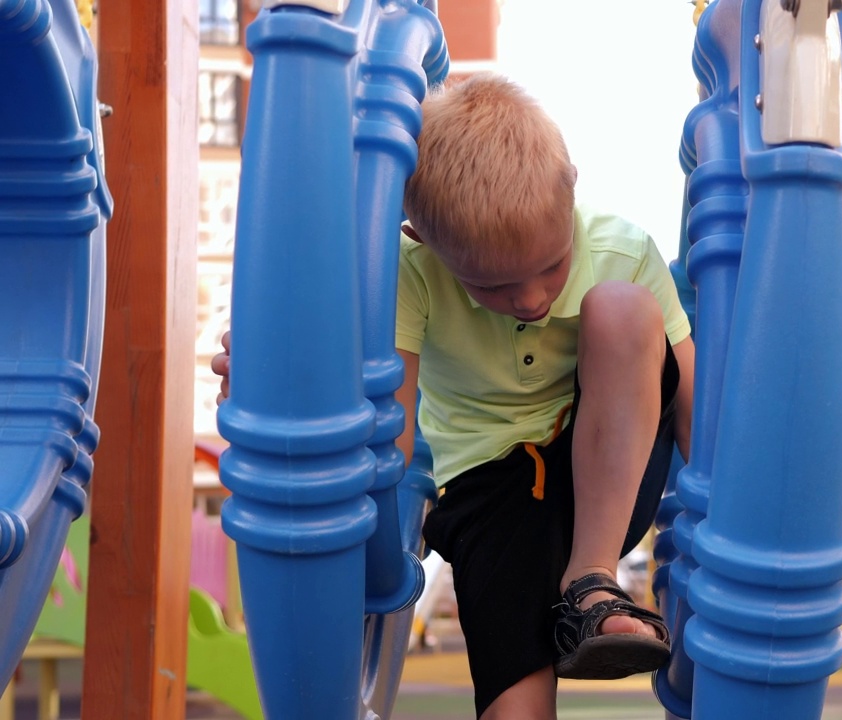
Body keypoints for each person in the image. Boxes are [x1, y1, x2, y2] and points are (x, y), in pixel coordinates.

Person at [212, 73, 695, 720]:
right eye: (491, 286)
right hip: (488, 490)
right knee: (513, 705)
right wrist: (281, 392)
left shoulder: (622, 250)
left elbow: (692, 408)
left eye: (550, 267)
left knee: (624, 310)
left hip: (609, 469)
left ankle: (592, 584)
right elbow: (393, 429)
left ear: (570, 187)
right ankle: (565, 612)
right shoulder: (408, 274)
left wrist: (740, 518)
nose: (528, 299)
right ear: (419, 237)